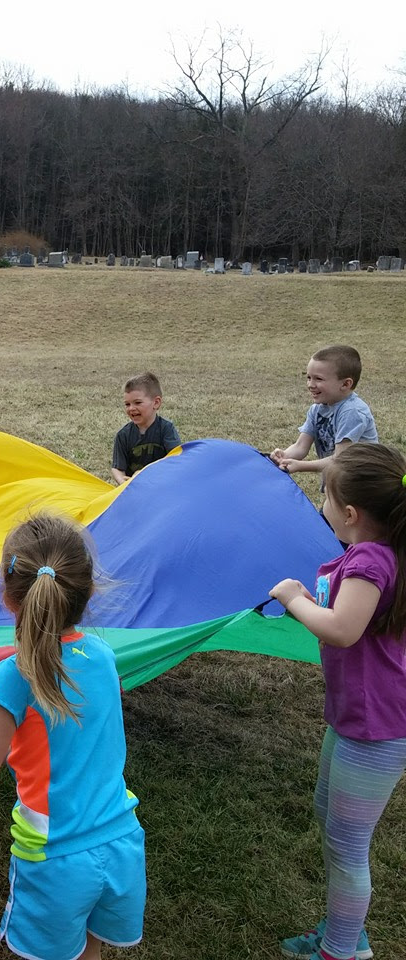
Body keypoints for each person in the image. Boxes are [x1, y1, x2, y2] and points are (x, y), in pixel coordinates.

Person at [0, 514, 146, 960]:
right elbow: (68, 741)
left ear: (7, 596)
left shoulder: (14, 676)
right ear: (88, 591)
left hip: (55, 860)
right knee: (89, 950)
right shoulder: (102, 656)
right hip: (121, 842)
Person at [269, 443, 406, 960]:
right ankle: (347, 929)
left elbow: (344, 630)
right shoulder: (376, 548)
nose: (319, 503)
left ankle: (341, 951)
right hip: (355, 719)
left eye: (323, 494)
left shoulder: (371, 558)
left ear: (349, 513)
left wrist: (294, 598)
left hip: (377, 728)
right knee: (329, 815)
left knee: (348, 849)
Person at [271, 345, 378, 477]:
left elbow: (340, 460)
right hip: (338, 477)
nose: (310, 385)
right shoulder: (317, 409)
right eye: (309, 377)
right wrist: (282, 458)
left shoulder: (352, 412)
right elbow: (300, 446)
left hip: (362, 482)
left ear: (345, 384)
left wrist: (300, 466)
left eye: (318, 379)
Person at [111, 372, 180, 484]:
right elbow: (118, 468)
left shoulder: (166, 429)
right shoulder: (123, 435)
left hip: (162, 486)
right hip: (135, 489)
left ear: (156, 403)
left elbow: (176, 459)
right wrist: (123, 483)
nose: (131, 408)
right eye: (127, 404)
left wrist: (146, 473)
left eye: (137, 402)